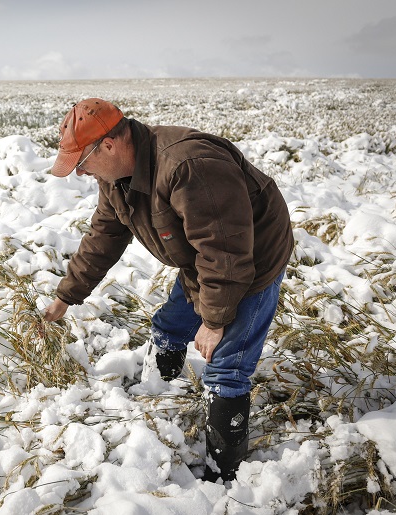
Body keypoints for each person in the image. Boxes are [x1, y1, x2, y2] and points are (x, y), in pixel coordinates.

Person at [43, 98, 294, 482]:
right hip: (204, 259)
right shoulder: (115, 177)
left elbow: (225, 251)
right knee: (169, 326)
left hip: (250, 260)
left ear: (108, 145)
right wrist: (67, 294)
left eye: (82, 161)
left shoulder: (188, 167)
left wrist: (214, 321)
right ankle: (158, 396)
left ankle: (225, 477)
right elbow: (105, 235)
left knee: (225, 370)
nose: (80, 172)